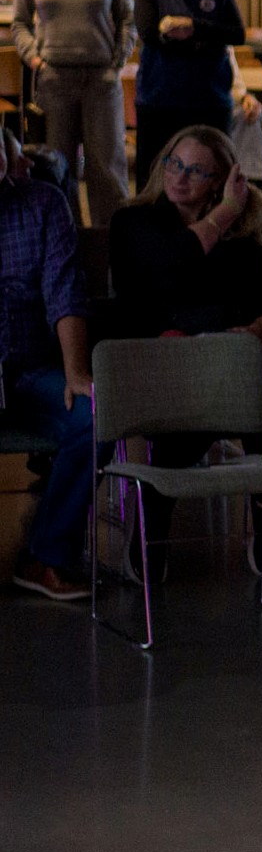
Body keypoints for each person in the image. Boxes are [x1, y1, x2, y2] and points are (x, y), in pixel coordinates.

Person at [1, 118, 98, 601]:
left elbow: (65, 294)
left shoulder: (43, 203)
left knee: (93, 415)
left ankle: (46, 556)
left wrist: (77, 372)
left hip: (30, 369)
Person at [13, 0, 138, 223]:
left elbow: (127, 18)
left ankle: (111, 246)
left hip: (100, 78)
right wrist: (35, 60)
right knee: (57, 167)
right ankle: (65, 240)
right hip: (55, 78)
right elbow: (21, 23)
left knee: (107, 168)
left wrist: (117, 62)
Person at [110, 124, 262, 343]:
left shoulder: (240, 238)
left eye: (195, 171)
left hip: (223, 353)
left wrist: (255, 331)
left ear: (219, 181)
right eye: (175, 164)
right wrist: (226, 211)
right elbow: (170, 268)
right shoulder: (131, 221)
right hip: (148, 353)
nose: (179, 178)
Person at [132, 0, 245, 183]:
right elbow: (149, 33)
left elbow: (237, 34)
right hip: (160, 100)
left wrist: (193, 27)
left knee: (213, 174)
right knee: (155, 175)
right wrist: (206, 39)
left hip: (209, 100)